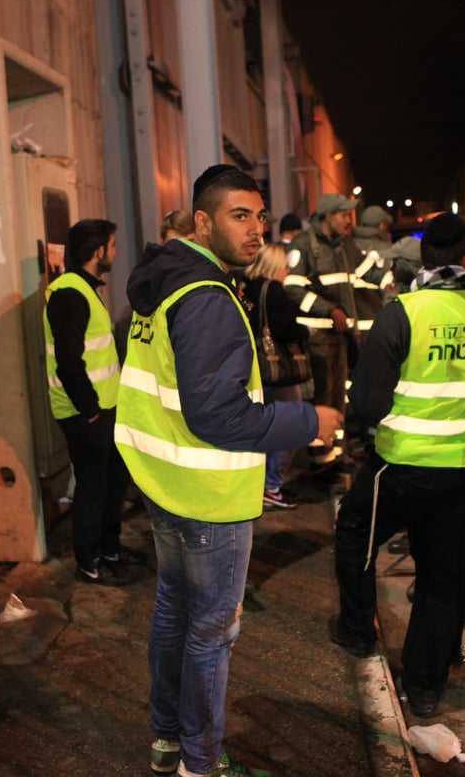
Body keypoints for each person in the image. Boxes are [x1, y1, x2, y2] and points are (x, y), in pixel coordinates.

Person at [116, 164, 341, 777]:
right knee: (211, 630)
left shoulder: (163, 282)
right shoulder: (205, 296)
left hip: (163, 482)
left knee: (174, 612)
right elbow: (217, 415)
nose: (256, 230)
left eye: (261, 217)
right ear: (202, 221)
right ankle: (201, 761)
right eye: (240, 216)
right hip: (207, 491)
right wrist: (308, 422)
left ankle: (168, 741)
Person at [327, 214, 465, 720]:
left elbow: (366, 401)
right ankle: (424, 688)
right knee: (445, 577)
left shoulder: (402, 312)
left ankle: (358, 631)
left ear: (423, 260)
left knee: (355, 534)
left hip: (400, 465)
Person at [44, 218, 145, 586]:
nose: (115, 252)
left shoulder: (85, 289)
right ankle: (89, 562)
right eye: (113, 245)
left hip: (104, 409)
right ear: (98, 250)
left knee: (113, 483)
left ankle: (110, 550)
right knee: (92, 489)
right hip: (86, 414)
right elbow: (70, 362)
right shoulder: (69, 294)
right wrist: (89, 411)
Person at [283, 194, 392, 465]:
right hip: (316, 338)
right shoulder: (304, 245)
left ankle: (336, 454)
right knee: (323, 399)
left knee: (338, 399)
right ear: (328, 216)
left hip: (340, 336)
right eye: (344, 215)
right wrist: (329, 310)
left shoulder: (344, 245)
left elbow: (365, 271)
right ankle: (321, 461)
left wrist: (391, 279)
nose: (348, 221)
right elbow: (292, 289)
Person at [243, 243, 311, 509]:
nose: (287, 270)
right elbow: (285, 328)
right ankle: (272, 485)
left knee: (266, 428)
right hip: (278, 372)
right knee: (293, 426)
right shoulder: (274, 290)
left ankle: (263, 484)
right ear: (274, 266)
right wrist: (305, 333)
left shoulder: (248, 289)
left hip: (256, 369)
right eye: (284, 266)